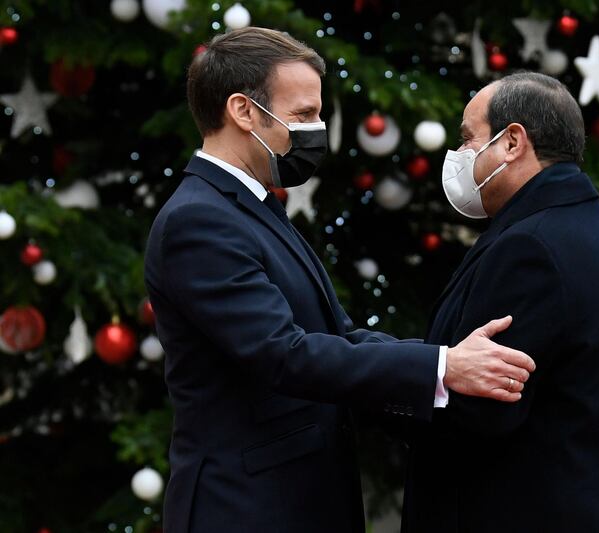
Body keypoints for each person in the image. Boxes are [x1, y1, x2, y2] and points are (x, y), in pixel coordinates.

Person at [144, 28, 535, 533]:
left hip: (291, 502)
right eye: (304, 115)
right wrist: (442, 365)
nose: (318, 129)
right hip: (245, 509)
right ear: (242, 111)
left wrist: (447, 363)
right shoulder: (199, 220)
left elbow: (337, 334)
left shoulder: (250, 205)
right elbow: (281, 353)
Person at [402, 72, 599, 532]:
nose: (459, 156)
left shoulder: (532, 247)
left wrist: (360, 380)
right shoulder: (575, 226)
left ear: (512, 141)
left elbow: (477, 411)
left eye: (469, 138)